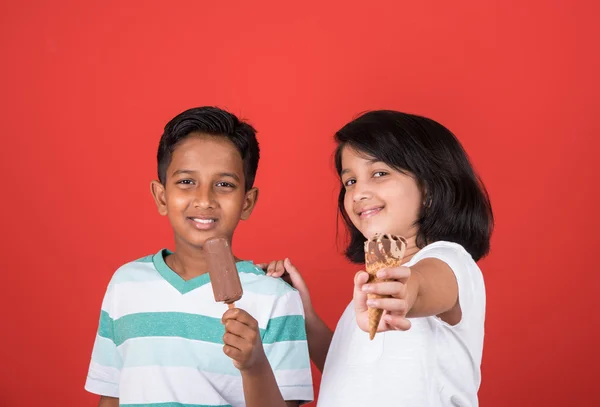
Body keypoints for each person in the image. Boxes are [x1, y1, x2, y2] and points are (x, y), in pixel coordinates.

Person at [262, 110, 493, 406]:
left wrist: (403, 293)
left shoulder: (450, 261)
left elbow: (420, 286)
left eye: (380, 173)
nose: (358, 193)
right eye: (349, 182)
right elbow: (346, 371)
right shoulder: (365, 299)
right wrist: (306, 318)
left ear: (430, 189)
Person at [85, 106, 313, 407]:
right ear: (161, 196)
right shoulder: (125, 284)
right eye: (186, 182)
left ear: (247, 202)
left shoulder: (276, 298)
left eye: (224, 185)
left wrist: (254, 366)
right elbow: (112, 396)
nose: (204, 199)